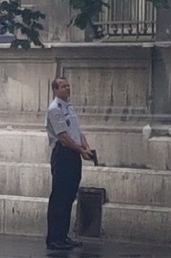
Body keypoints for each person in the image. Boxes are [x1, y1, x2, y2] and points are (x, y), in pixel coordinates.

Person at [45, 77, 93, 250]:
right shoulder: (54, 109)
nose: (67, 89)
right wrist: (80, 150)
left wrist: (85, 147)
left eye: (68, 86)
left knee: (69, 196)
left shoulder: (69, 107)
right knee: (59, 196)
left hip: (74, 153)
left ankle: (63, 235)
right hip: (63, 153)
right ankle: (54, 238)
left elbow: (77, 131)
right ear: (55, 90)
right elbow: (63, 137)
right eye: (63, 86)